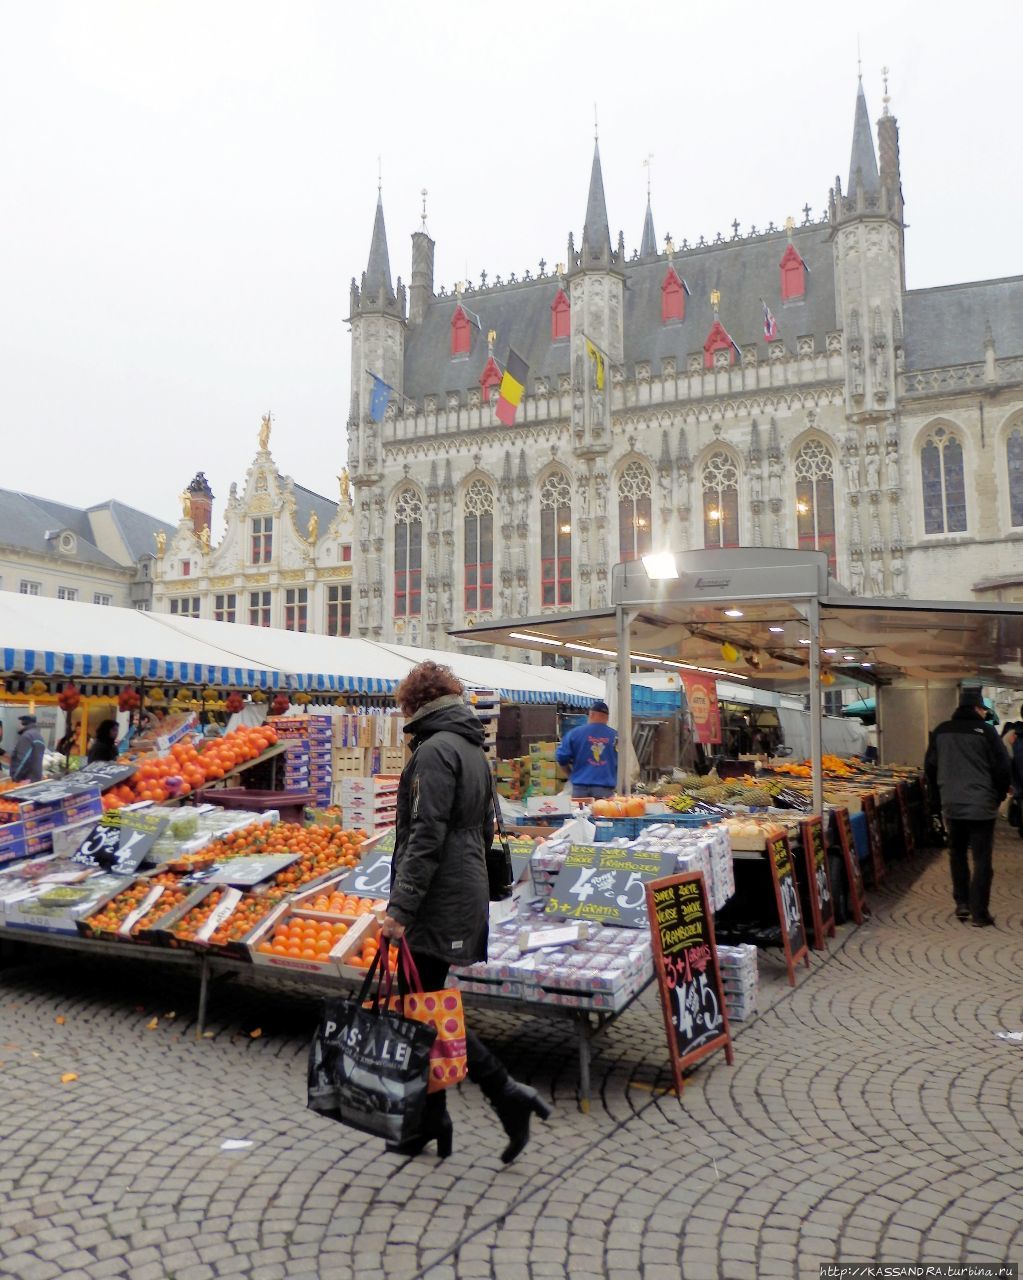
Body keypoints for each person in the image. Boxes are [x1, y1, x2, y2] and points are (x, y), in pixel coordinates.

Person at [379, 661, 552, 1162]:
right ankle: (431, 1121)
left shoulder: (435, 751)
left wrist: (401, 907)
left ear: (413, 705)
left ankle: (505, 1096)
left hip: (438, 896)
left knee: (426, 1010)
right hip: (462, 886)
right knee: (423, 1004)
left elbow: (426, 835)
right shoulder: (471, 745)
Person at [925, 688, 1011, 927]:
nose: (984, 714)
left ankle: (962, 902)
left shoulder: (941, 731)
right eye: (983, 709)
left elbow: (930, 768)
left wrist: (936, 800)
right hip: (982, 806)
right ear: (976, 708)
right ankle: (980, 914)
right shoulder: (986, 731)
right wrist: (999, 795)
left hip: (952, 804)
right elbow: (1002, 768)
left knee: (957, 853)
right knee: (982, 859)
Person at [555, 700, 619, 799]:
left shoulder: (574, 734)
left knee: (580, 814)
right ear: (607, 718)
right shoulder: (616, 736)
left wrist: (571, 774)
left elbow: (561, 758)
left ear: (591, 714)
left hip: (579, 789)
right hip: (604, 790)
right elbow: (623, 763)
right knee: (603, 813)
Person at [9, 714, 46, 783]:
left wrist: (15, 777)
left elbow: (22, 760)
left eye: (20, 722)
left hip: (25, 781)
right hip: (35, 779)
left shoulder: (26, 737)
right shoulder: (39, 736)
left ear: (24, 723)